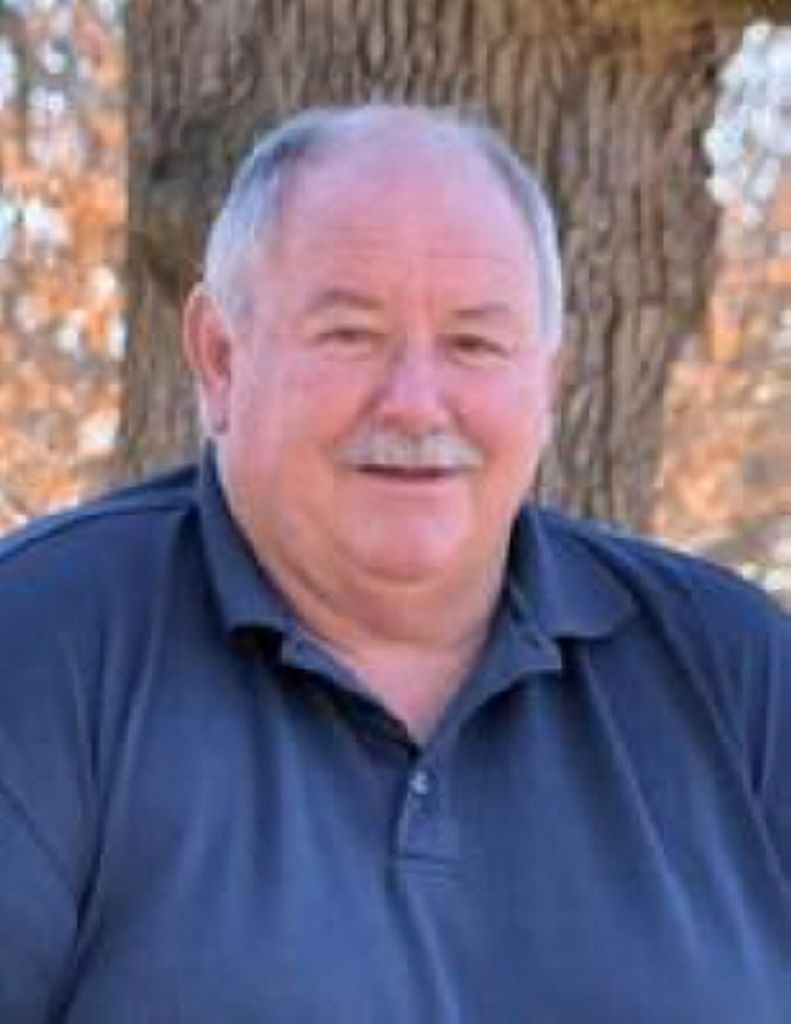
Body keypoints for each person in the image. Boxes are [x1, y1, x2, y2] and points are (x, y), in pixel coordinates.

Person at [0, 104, 789, 1023]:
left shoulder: (736, 673)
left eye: (473, 343)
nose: (415, 403)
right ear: (219, 358)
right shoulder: (39, 647)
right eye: (350, 333)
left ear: (546, 382)